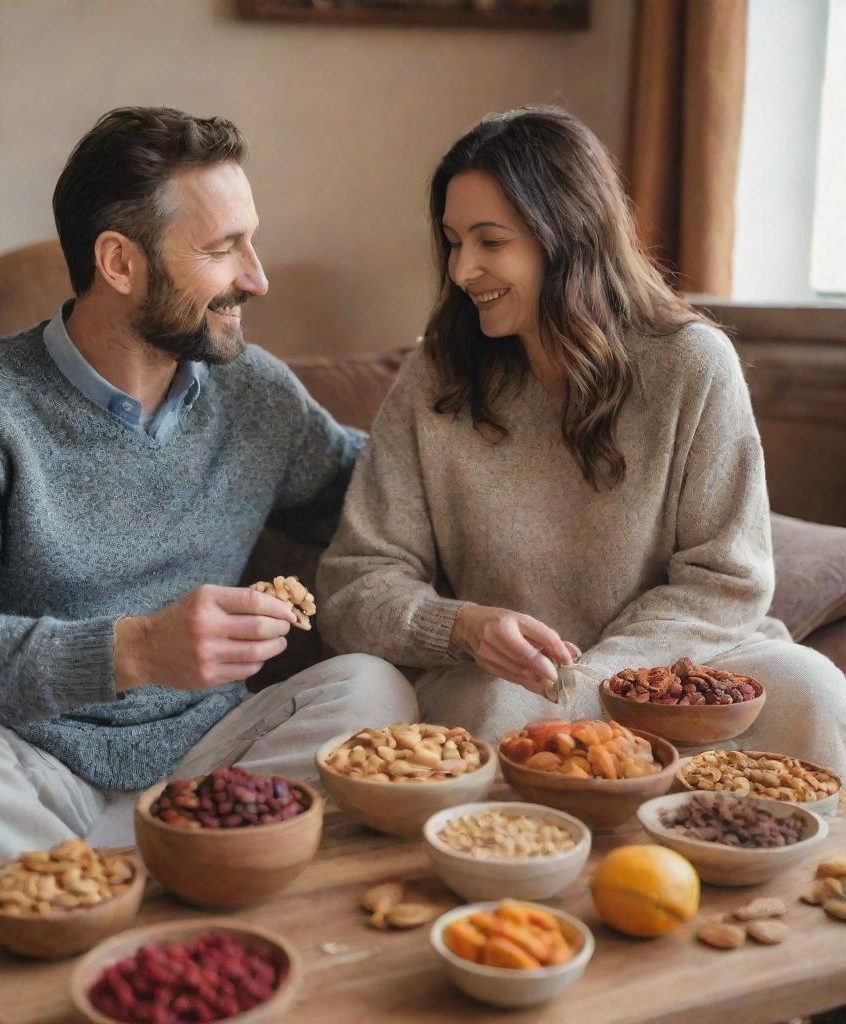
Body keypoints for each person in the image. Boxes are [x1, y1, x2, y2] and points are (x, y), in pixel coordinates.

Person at [0, 106, 416, 906]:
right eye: (222, 249)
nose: (257, 276)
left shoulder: (255, 393)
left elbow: (387, 504)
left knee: (371, 690)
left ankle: (90, 897)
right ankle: (145, 899)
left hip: (213, 761)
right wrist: (136, 651)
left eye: (250, 241)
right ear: (118, 261)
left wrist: (459, 395)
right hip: (33, 769)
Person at [316, 105, 846, 776]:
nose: (460, 270)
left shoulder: (692, 364)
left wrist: (600, 684)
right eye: (453, 241)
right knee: (512, 717)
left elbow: (728, 580)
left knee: (815, 690)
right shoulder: (436, 377)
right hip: (510, 679)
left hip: (685, 662)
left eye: (490, 241)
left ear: (566, 236)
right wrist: (465, 627)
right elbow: (353, 584)